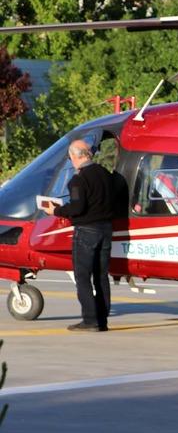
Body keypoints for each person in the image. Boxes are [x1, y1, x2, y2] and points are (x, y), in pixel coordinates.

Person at [51, 140, 114, 332]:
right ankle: (102, 319)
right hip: (106, 230)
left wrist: (57, 211)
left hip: (87, 231)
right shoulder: (104, 174)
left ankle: (89, 319)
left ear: (74, 156)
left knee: (83, 275)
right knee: (101, 276)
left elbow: (77, 208)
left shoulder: (79, 180)